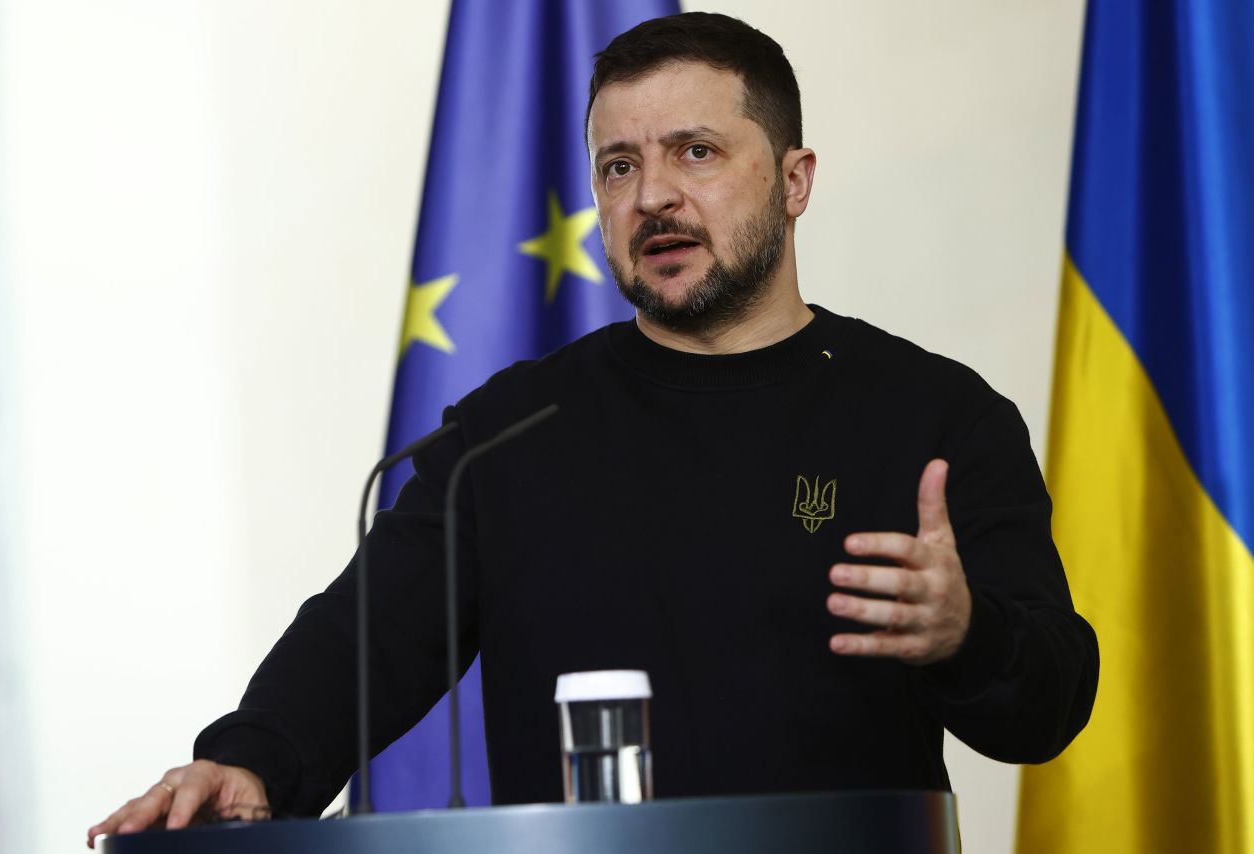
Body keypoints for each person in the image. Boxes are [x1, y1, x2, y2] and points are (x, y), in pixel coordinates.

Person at [89, 12, 1098, 846]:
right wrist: (248, 754)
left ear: (794, 180)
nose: (650, 195)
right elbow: (364, 634)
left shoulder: (930, 415)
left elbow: (1049, 704)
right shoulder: (511, 433)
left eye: (693, 153)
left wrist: (966, 635)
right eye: (616, 167)